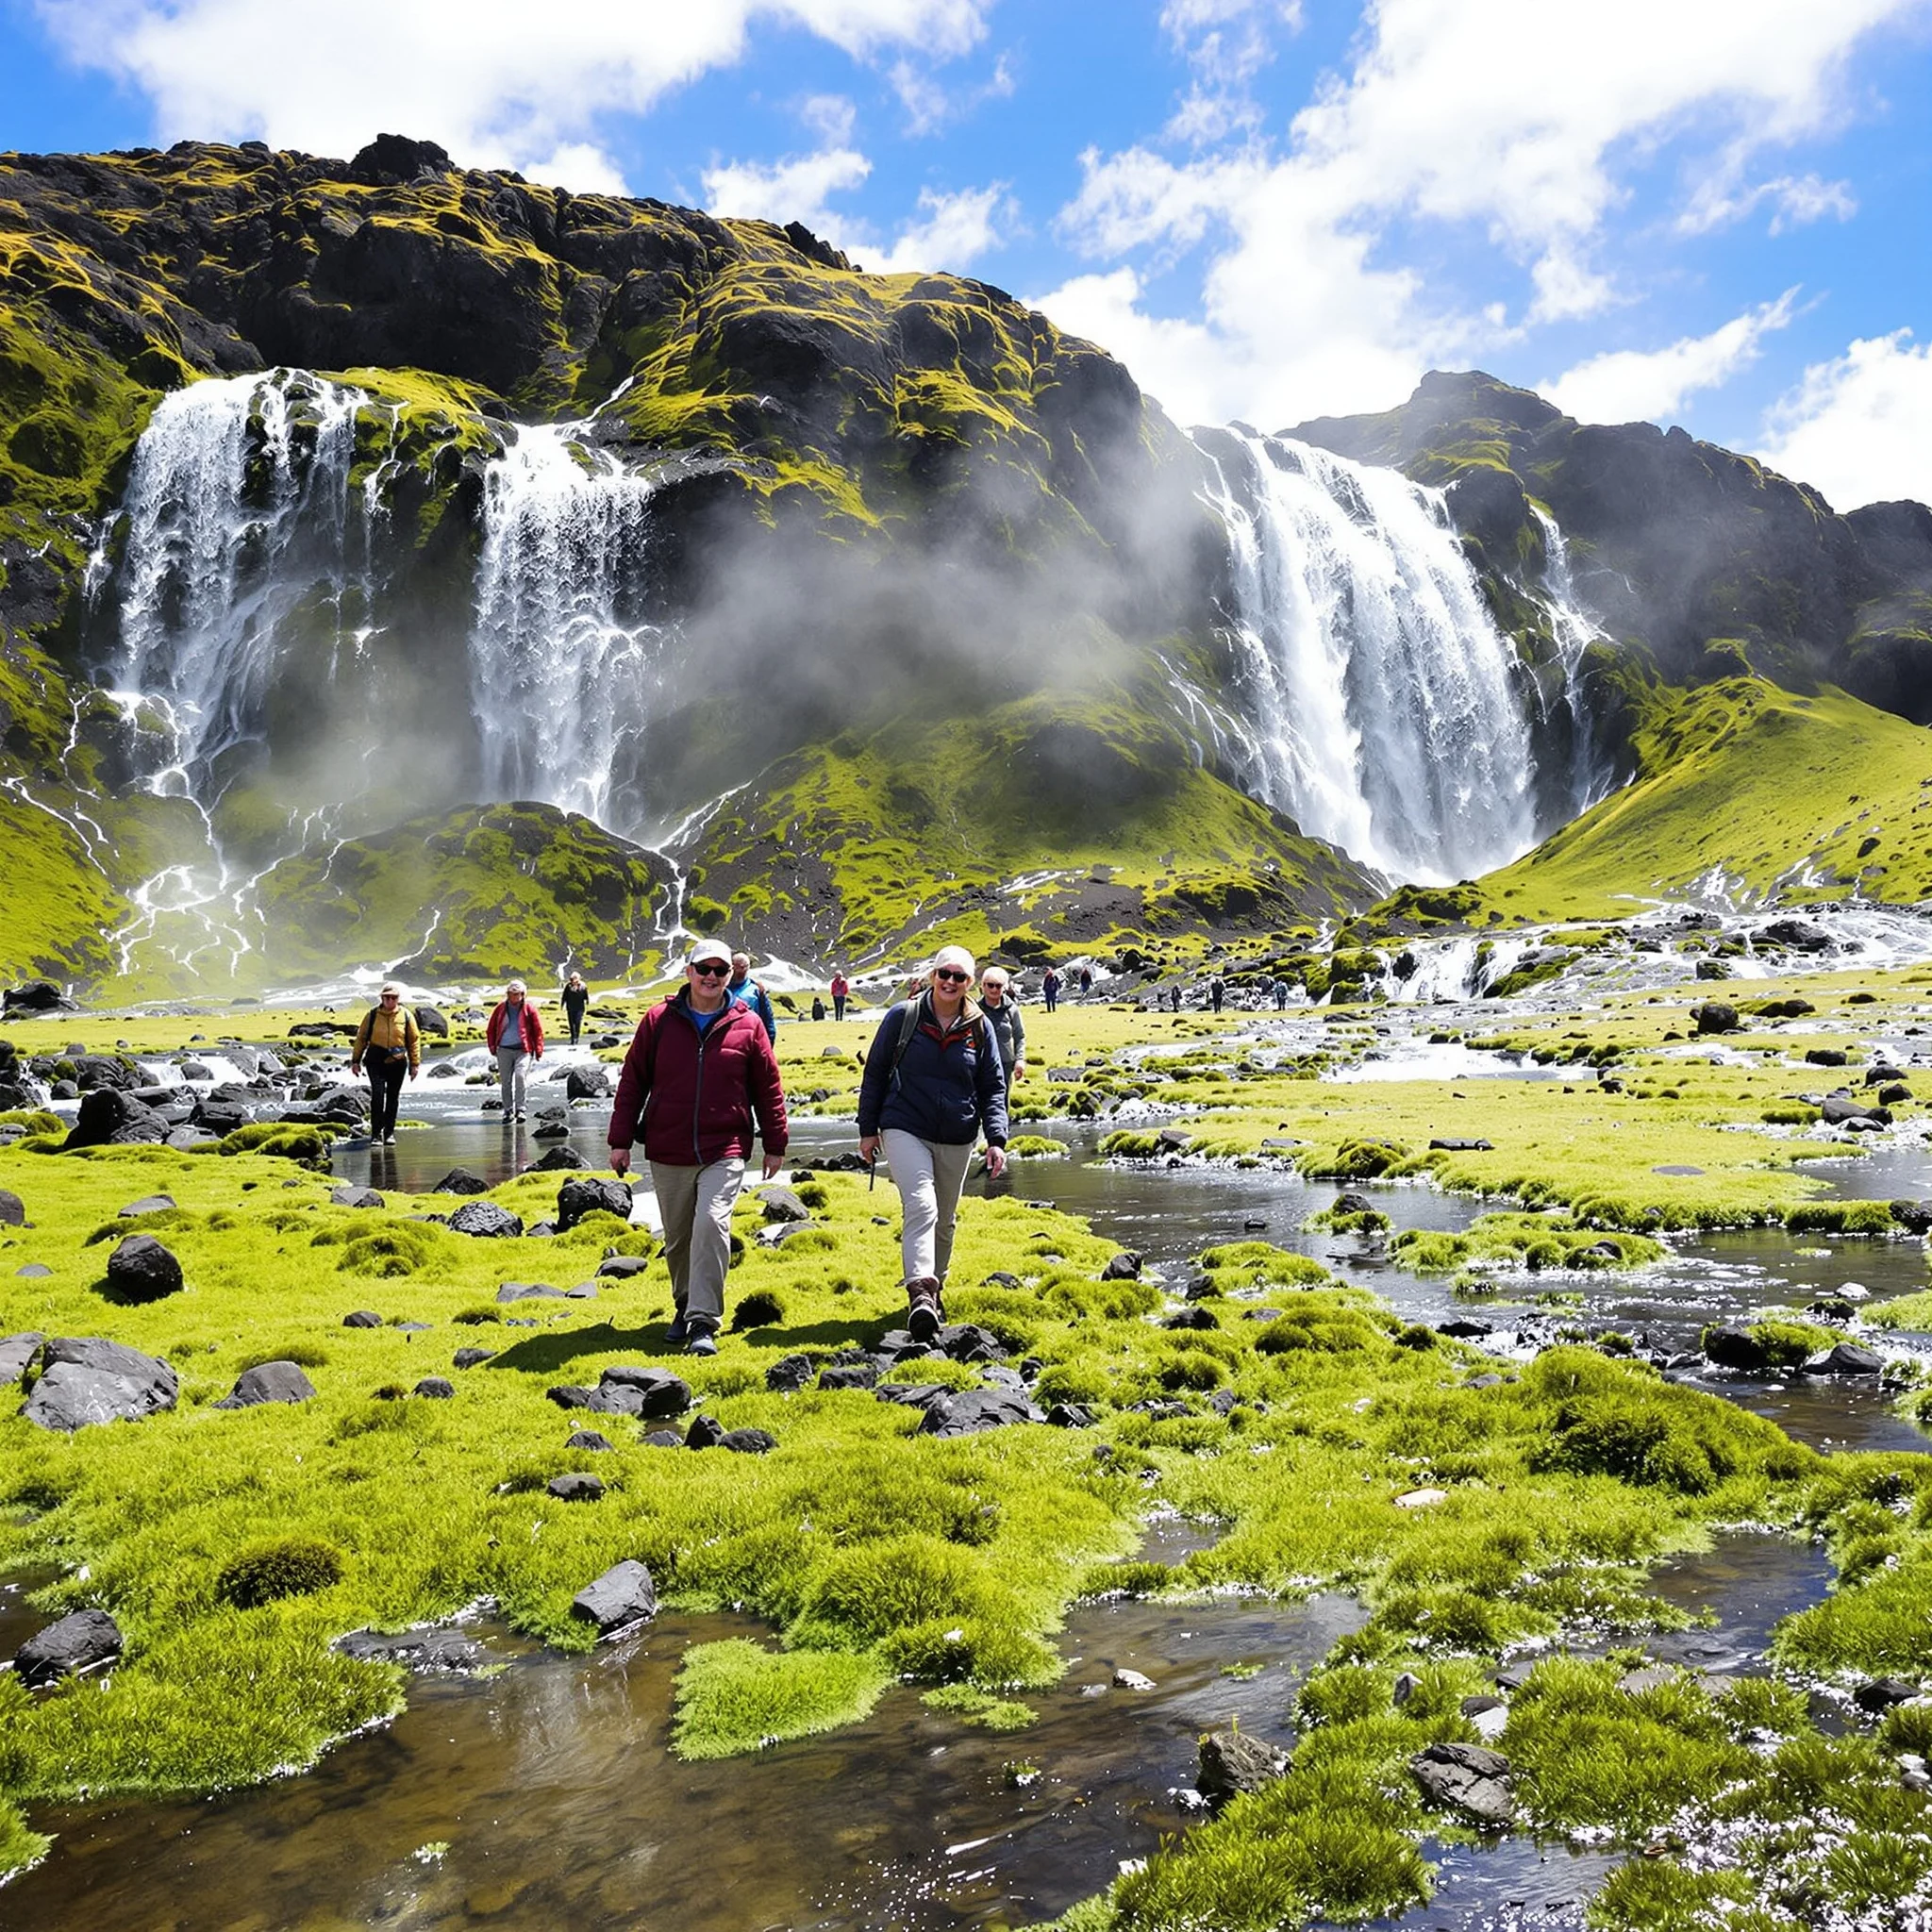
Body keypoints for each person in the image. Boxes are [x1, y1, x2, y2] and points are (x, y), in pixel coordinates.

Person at [608, 937, 788, 1357]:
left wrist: (775, 1142)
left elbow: (768, 1086)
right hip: (667, 1146)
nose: (711, 977)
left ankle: (704, 1321)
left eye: (719, 971)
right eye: (703, 969)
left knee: (711, 1223)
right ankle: (685, 1304)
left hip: (725, 1145)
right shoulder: (658, 1021)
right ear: (688, 972)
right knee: (679, 1237)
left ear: (731, 975)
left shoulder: (749, 1024)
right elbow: (634, 1080)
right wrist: (620, 1140)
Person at [857, 944, 1008, 1341]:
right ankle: (920, 1292)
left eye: (959, 977)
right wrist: (868, 1129)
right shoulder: (902, 1017)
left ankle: (934, 1294)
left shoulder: (980, 1027)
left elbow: (993, 1086)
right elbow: (874, 1073)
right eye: (945, 974)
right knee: (921, 1204)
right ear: (932, 976)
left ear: (970, 983)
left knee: (945, 1218)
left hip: (958, 1134)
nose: (951, 982)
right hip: (904, 1124)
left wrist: (996, 1139)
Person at [350, 982, 418, 1144]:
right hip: (375, 1060)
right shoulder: (372, 1015)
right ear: (382, 998)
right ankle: (375, 1134)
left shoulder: (406, 1016)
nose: (390, 1001)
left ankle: (389, 1133)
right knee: (378, 1096)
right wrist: (355, 1061)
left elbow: (414, 1040)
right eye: (387, 997)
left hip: (398, 1061)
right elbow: (361, 1038)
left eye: (393, 998)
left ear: (398, 999)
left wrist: (414, 1064)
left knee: (393, 1098)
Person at [486, 979, 543, 1120]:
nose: (514, 997)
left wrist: (538, 1049)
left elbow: (538, 1030)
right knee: (505, 1082)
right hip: (504, 1049)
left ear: (523, 994)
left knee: (520, 1077)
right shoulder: (500, 1009)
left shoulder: (529, 1009)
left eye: (517, 994)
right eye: (512, 994)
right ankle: (508, 1111)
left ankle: (520, 1109)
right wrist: (492, 1046)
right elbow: (491, 1029)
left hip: (523, 1050)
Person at [978, 966, 1026, 1085]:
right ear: (983, 986)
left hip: (1005, 1064)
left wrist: (1019, 1060)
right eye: (990, 985)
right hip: (980, 1063)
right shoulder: (974, 1010)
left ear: (1004, 987)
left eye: (998, 985)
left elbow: (1019, 1036)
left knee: (1002, 1100)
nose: (994, 989)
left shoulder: (1012, 1009)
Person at [728, 951, 777, 1042]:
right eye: (735, 967)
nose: (738, 971)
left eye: (742, 967)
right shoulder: (721, 989)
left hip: (750, 1040)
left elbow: (767, 1019)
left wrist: (768, 1044)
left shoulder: (757, 990)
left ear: (748, 967)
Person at [561, 972, 590, 1045]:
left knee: (577, 1022)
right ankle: (572, 1037)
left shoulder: (583, 986)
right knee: (571, 1023)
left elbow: (586, 995)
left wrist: (587, 1001)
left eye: (573, 979)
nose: (572, 981)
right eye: (571, 979)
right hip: (570, 1008)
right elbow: (564, 996)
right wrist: (562, 1004)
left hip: (579, 1008)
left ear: (577, 979)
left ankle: (576, 1037)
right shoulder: (568, 986)